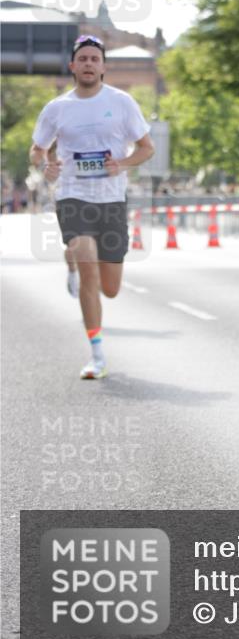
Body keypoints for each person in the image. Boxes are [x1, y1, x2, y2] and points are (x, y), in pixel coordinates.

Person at [30, 34, 154, 380]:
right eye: (82, 59)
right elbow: (37, 149)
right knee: (89, 266)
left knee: (110, 287)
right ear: (73, 66)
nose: (88, 64)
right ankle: (97, 354)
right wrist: (46, 164)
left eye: (94, 59)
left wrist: (123, 164)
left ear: (103, 67)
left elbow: (147, 148)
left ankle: (72, 263)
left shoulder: (122, 102)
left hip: (111, 199)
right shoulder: (56, 108)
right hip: (73, 195)